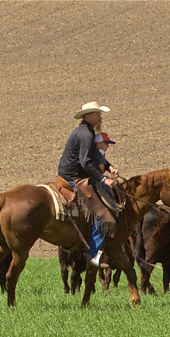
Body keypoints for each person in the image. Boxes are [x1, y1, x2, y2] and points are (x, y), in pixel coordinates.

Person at [57, 101, 113, 267]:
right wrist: (104, 179)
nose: (100, 117)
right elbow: (86, 163)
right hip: (74, 177)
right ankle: (94, 255)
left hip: (69, 173)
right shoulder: (87, 135)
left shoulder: (84, 131)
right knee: (102, 211)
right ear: (87, 116)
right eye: (97, 114)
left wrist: (109, 167)